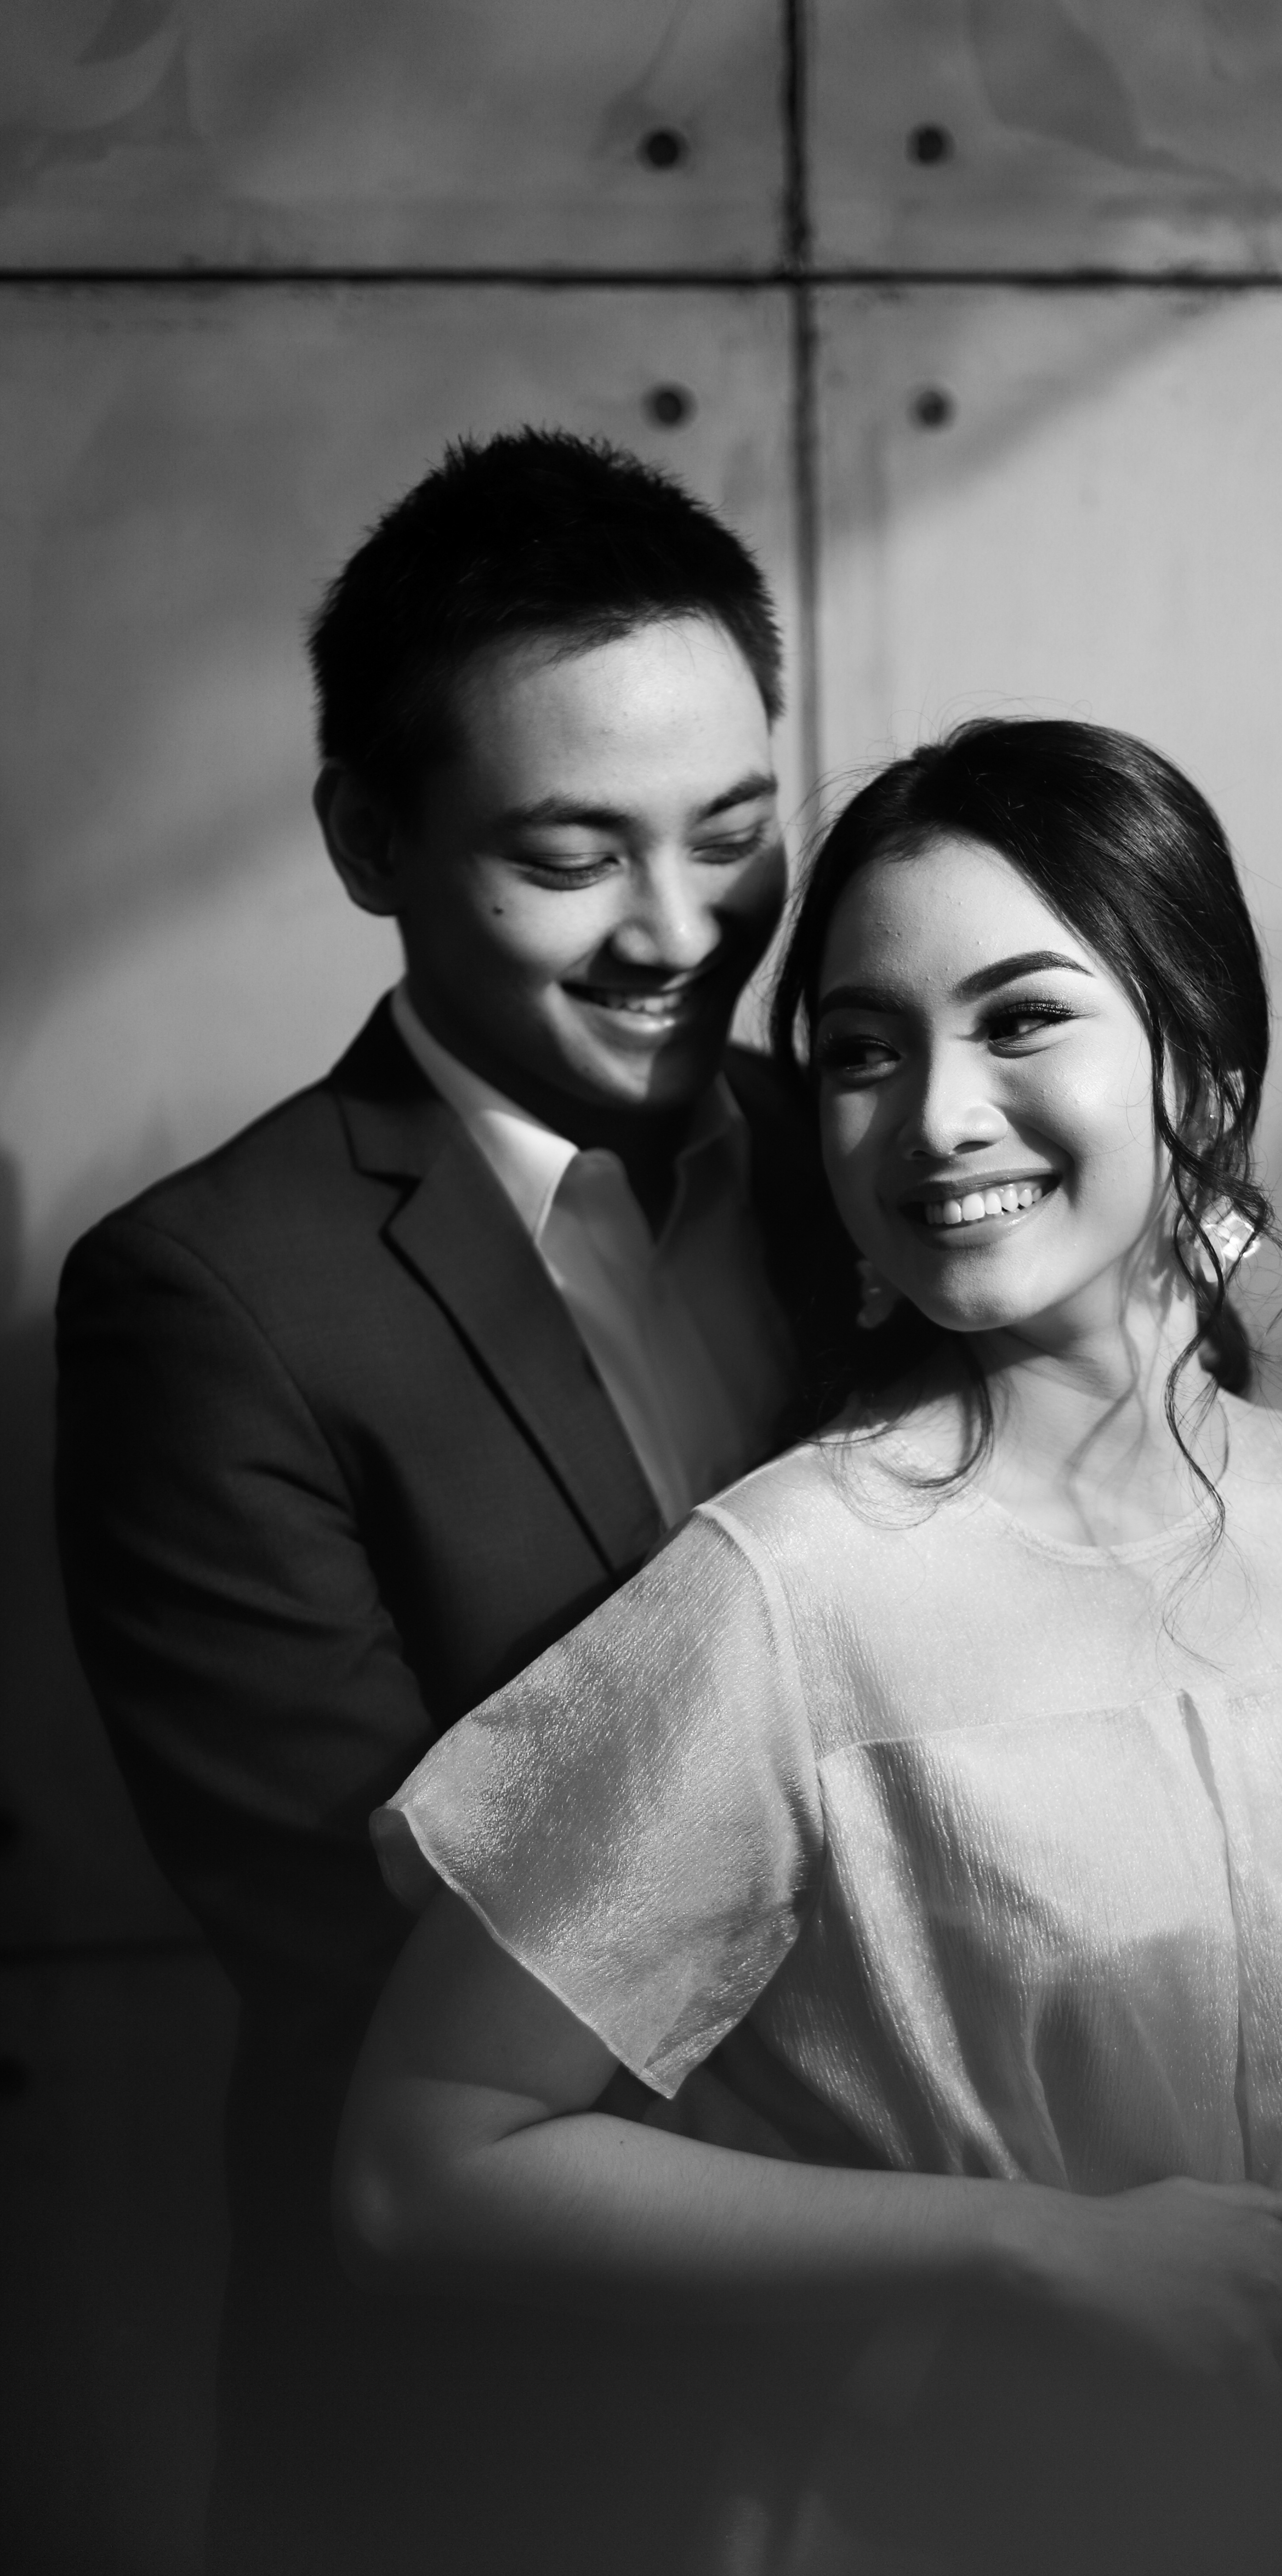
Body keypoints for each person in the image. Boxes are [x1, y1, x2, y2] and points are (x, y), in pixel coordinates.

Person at [336, 719, 1282, 2574]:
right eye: (865, 1051)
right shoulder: (781, 1596)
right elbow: (422, 2159)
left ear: (1204, 1068)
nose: (933, 1116)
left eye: (1021, 1020)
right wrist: (1028, 2250)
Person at [54, 429, 852, 2575]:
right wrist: (1005, 2217)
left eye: (735, 836)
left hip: (973, 2438)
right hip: (500, 2445)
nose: (679, 931)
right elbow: (377, 1946)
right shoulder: (208, 1302)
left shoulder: (879, 1166)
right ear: (367, 839)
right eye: (571, 857)